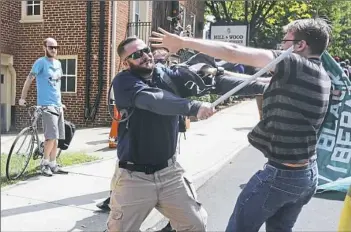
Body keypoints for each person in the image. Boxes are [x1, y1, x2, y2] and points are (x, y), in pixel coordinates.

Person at [150, 18, 331, 232]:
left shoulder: (295, 64)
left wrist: (182, 42)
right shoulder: (318, 74)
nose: (281, 46)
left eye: (285, 41)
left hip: (282, 176)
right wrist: (220, 75)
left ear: (299, 45)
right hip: (306, 174)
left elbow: (233, 51)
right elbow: (261, 83)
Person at [106, 37, 215, 231]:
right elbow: (153, 99)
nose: (145, 56)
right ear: (125, 63)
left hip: (169, 172)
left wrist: (265, 83)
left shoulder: (164, 75)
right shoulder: (123, 82)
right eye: (136, 55)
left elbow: (213, 79)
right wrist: (193, 107)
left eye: (146, 50)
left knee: (195, 225)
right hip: (134, 176)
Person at [19, 38, 67, 176]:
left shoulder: (58, 63)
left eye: (56, 47)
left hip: (57, 105)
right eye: (51, 47)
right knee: (50, 136)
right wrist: (23, 97)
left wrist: (60, 102)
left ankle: (53, 164)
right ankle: (44, 163)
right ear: (44, 47)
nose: (54, 49)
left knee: (56, 137)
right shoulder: (40, 62)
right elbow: (29, 79)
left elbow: (57, 85)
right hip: (46, 105)